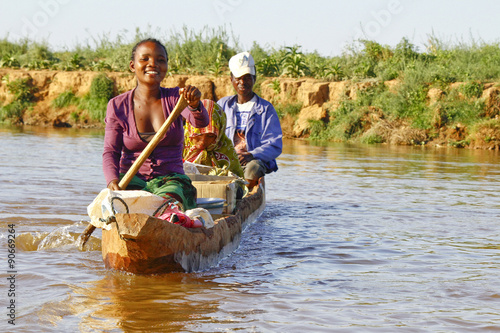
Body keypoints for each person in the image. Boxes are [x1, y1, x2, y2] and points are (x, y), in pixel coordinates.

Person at [102, 38, 209, 211]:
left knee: (165, 206)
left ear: (166, 66)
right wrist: (112, 181)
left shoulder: (177, 98)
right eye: (145, 59)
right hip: (131, 180)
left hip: (171, 181)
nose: (153, 64)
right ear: (132, 65)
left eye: (160, 60)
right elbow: (110, 151)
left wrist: (195, 104)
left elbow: (200, 122)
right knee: (120, 208)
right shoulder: (117, 105)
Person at [217, 51, 283, 189]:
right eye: (238, 78)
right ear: (231, 79)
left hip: (251, 161)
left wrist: (251, 155)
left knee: (254, 168)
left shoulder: (265, 109)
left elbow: (274, 145)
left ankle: (244, 193)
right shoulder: (222, 105)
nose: (242, 82)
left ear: (254, 78)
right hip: (225, 160)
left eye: (247, 77)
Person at [183, 99, 244, 178]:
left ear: (219, 133)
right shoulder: (178, 143)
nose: (203, 142)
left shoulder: (226, 148)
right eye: (198, 135)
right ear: (190, 129)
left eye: (210, 136)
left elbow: (237, 181)